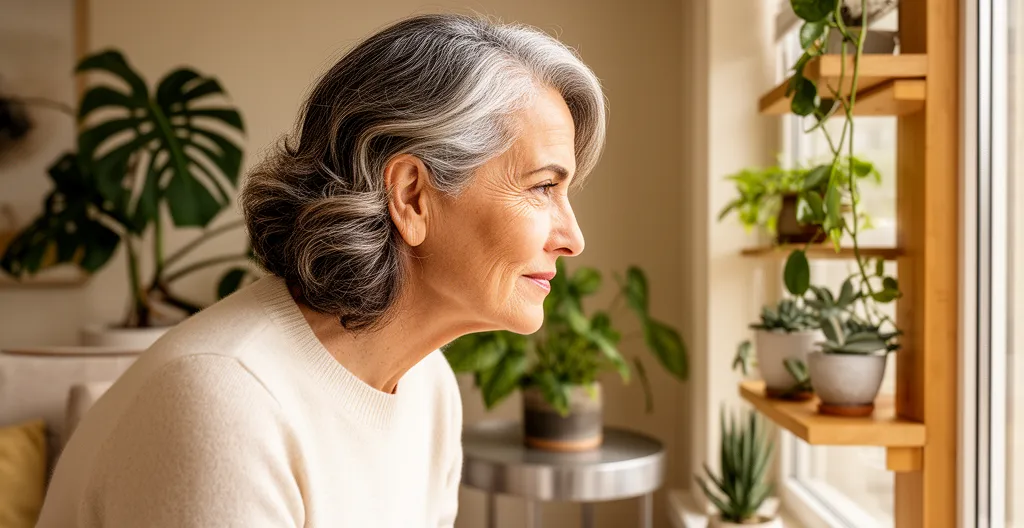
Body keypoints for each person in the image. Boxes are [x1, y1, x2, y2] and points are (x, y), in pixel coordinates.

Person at [37, 13, 606, 527]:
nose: (573, 239)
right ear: (411, 197)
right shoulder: (226, 404)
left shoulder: (427, 386)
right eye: (543, 188)